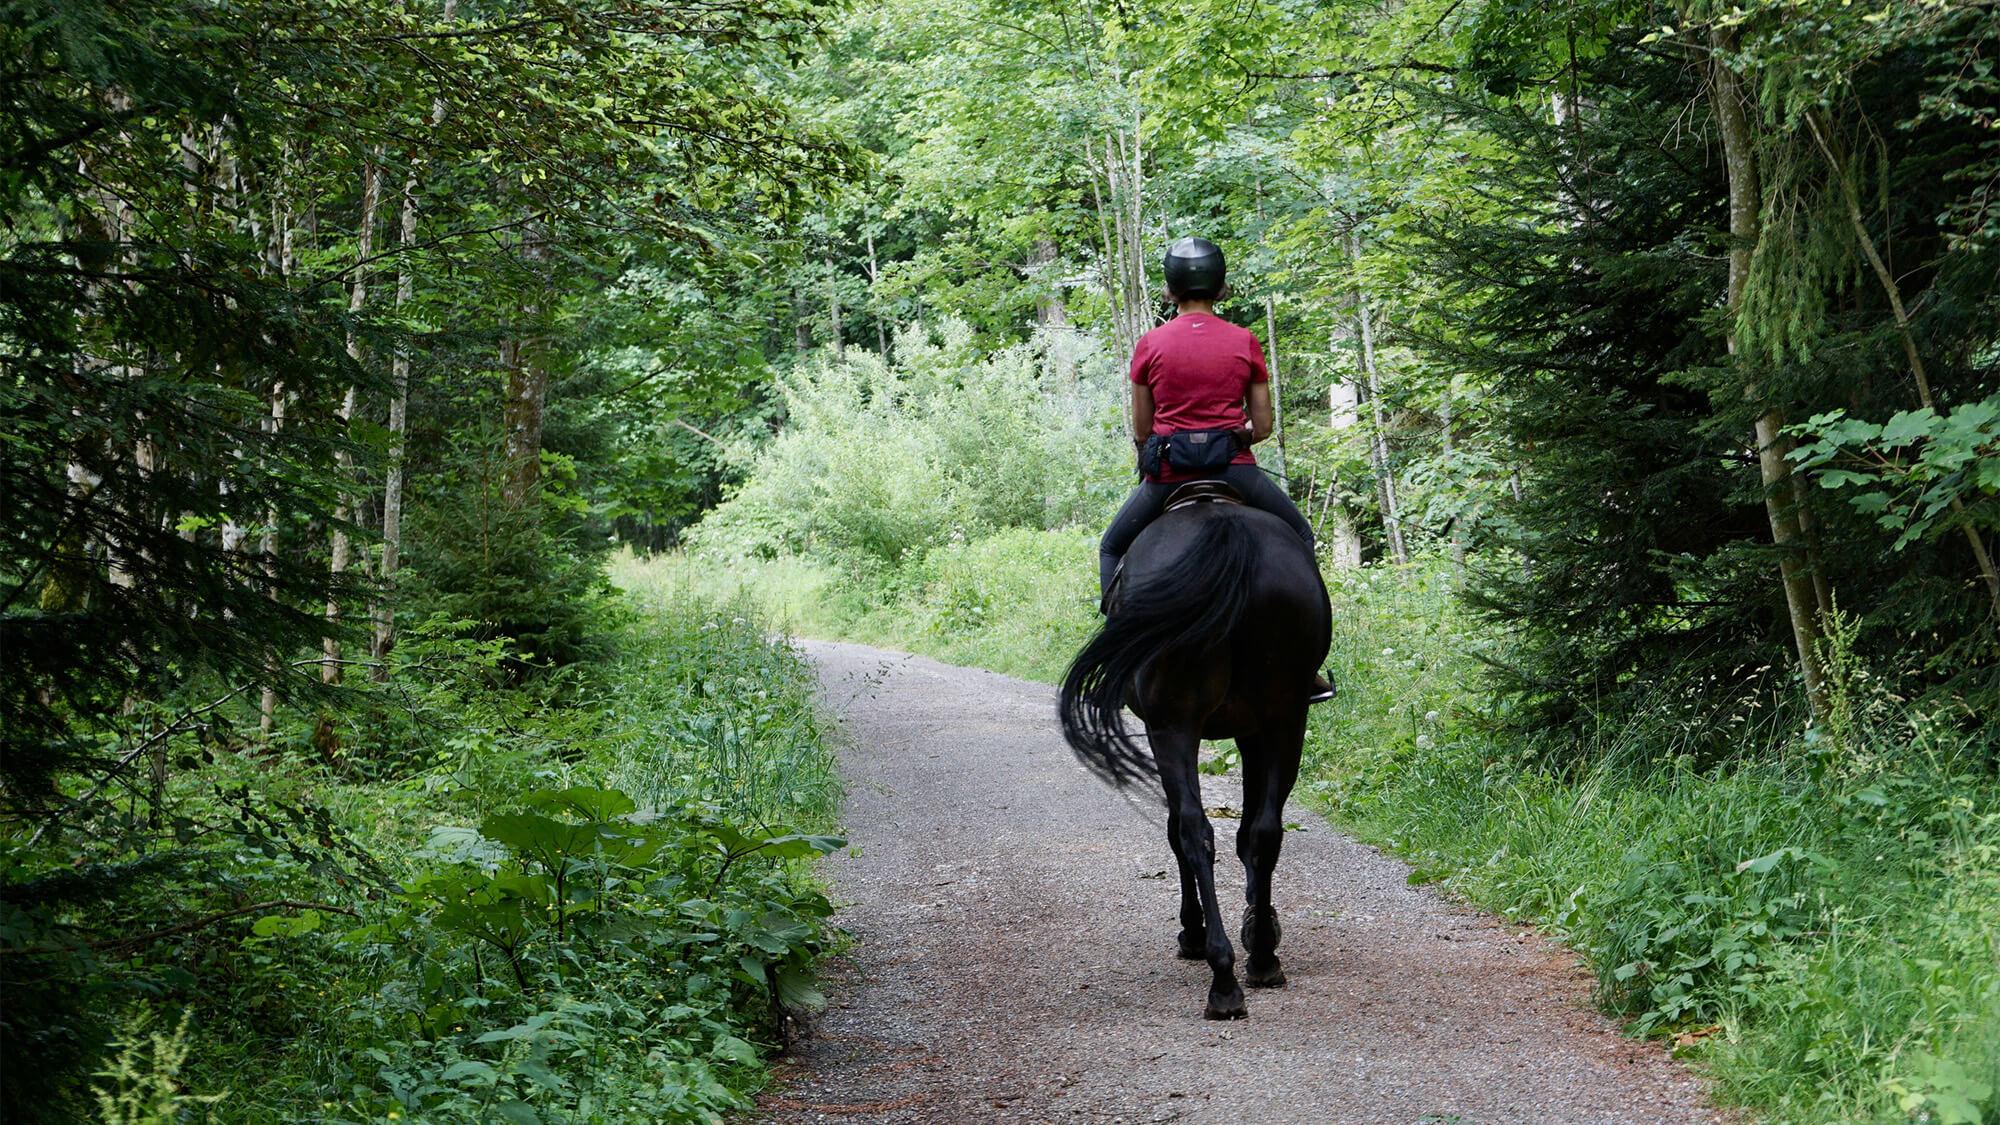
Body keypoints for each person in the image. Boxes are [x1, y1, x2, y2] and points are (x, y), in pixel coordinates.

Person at [1099, 236, 1335, 703]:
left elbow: (1143, 429)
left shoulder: (1150, 344)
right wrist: (1236, 435)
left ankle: (1119, 659)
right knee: (1301, 536)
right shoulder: (1244, 340)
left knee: (1112, 546)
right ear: (1221, 287)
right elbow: (1263, 425)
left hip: (1168, 477)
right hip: (1234, 470)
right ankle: (1306, 666)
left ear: (1170, 290)